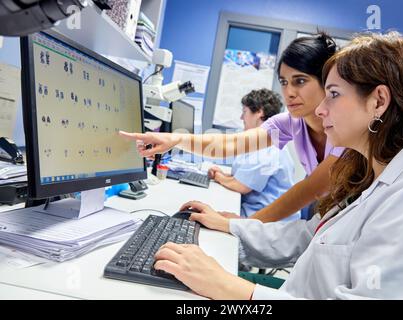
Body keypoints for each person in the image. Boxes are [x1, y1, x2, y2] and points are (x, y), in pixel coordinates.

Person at [151, 32, 403, 299]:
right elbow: (307, 235)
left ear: (378, 101)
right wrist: (231, 225)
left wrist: (235, 290)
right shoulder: (369, 175)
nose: (321, 109)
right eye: (284, 82)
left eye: (333, 94)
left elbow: (308, 191)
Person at [120, 33, 344, 223]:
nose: (289, 92)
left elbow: (312, 189)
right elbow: (231, 144)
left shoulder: (345, 131)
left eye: (300, 81)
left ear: (327, 81)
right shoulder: (291, 123)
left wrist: (241, 224)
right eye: (284, 82)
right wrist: (175, 139)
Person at [208, 89, 298, 220]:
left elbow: (241, 186)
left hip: (269, 226)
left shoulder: (270, 146)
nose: (241, 117)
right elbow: (242, 177)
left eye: (244, 112)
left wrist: (218, 177)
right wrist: (224, 175)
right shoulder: (259, 141)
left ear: (259, 112)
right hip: (255, 214)